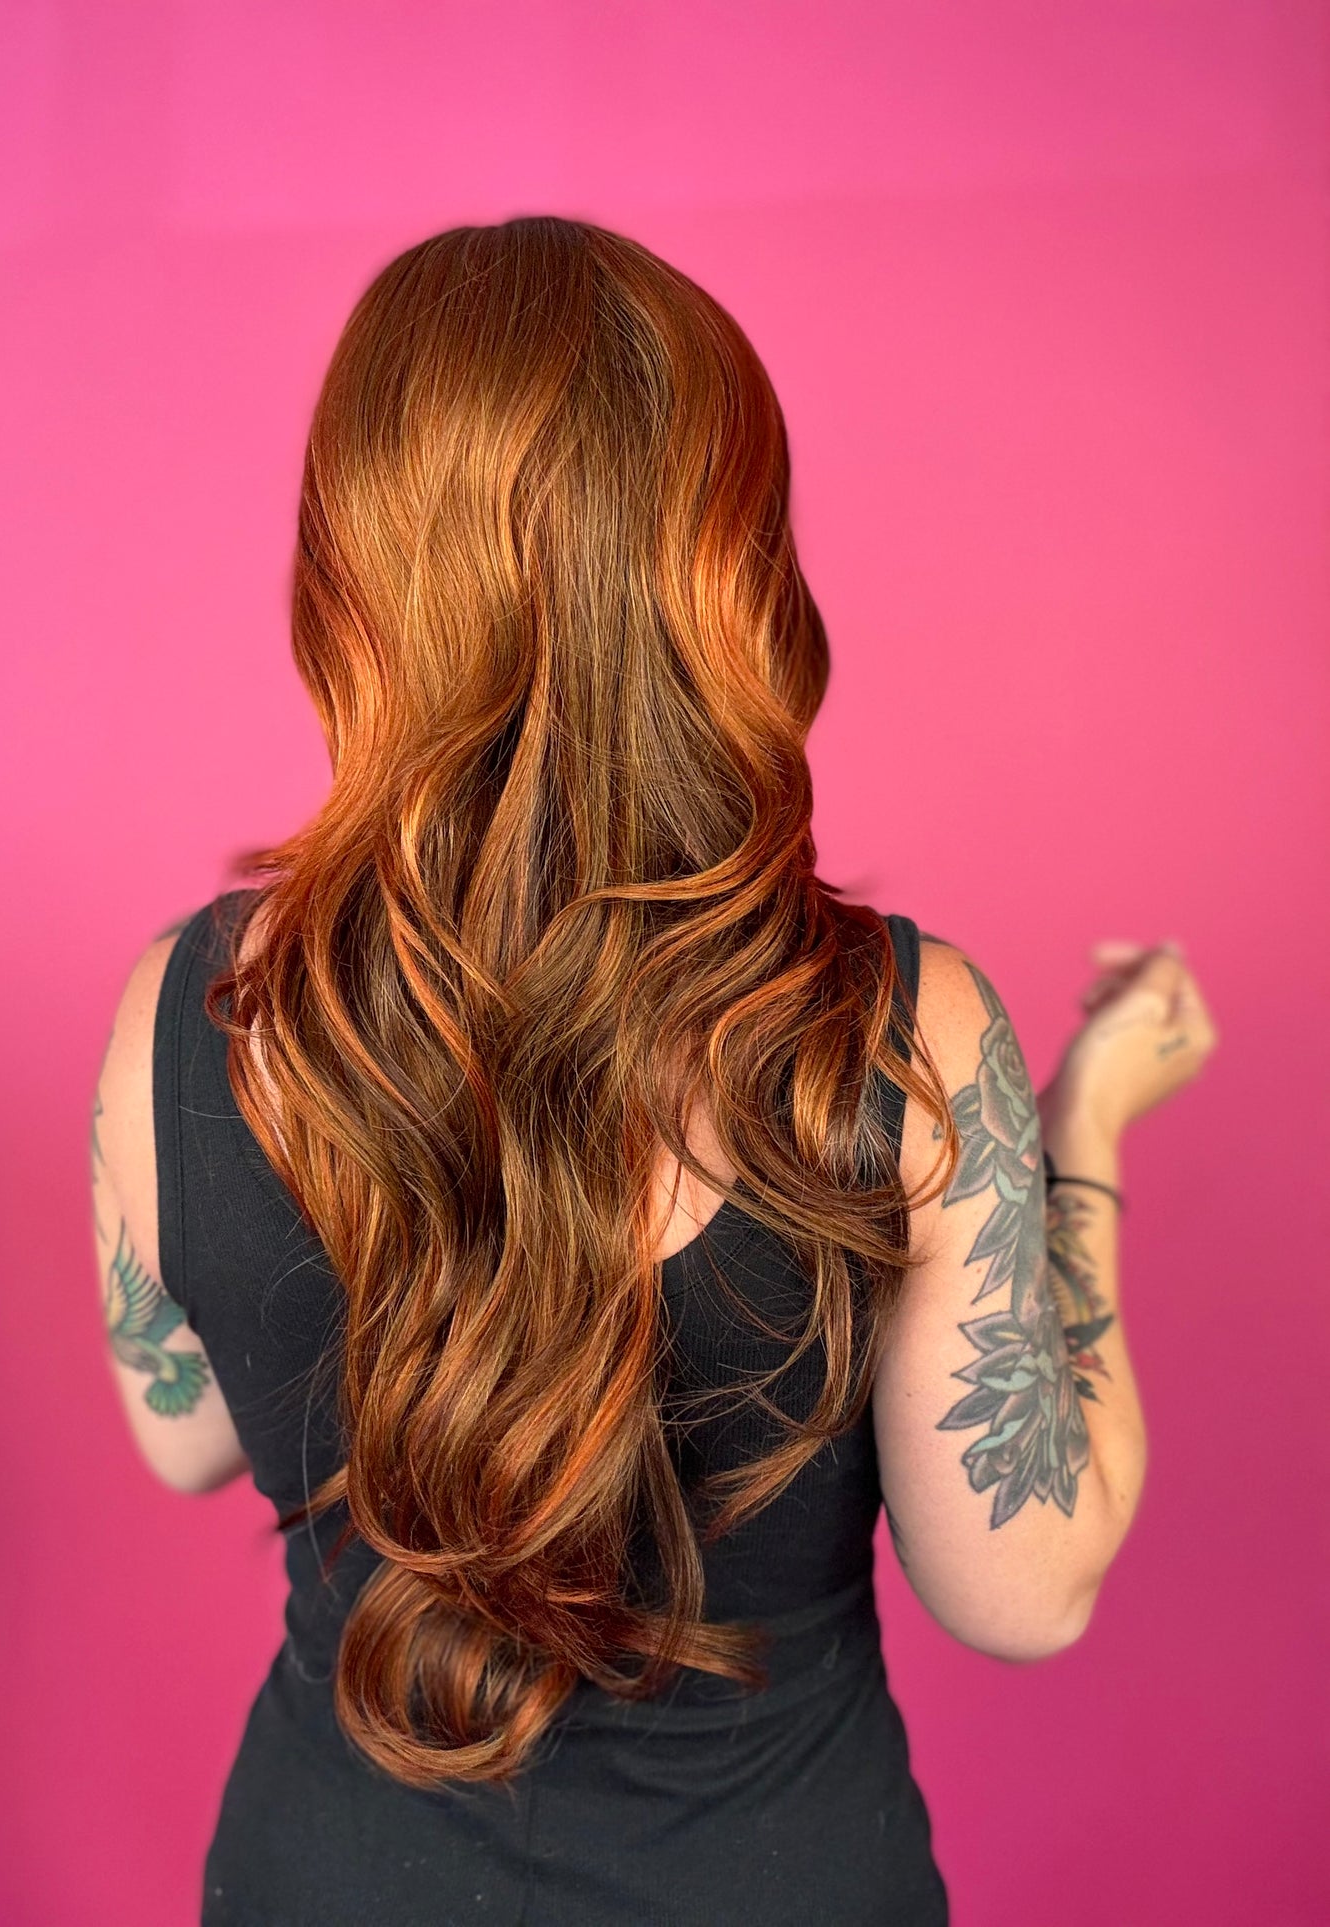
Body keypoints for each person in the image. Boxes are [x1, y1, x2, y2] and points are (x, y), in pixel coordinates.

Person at [89, 217, 1217, 1926]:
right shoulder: (906, 1037)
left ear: (351, 572)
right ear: (730, 564)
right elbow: (1024, 1589)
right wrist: (1081, 1137)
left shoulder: (185, 1009)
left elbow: (181, 1432)